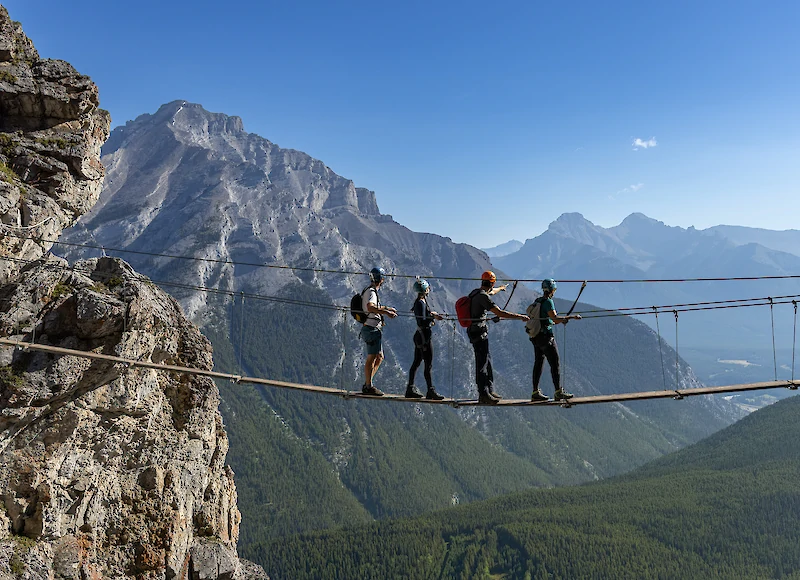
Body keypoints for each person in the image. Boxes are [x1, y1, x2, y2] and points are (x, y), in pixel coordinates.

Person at [467, 271, 530, 404]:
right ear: (491, 283)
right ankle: (483, 394)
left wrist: (501, 289)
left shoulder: (476, 293)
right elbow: (500, 312)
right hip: (479, 332)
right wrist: (520, 317)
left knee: (487, 361)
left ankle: (490, 390)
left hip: (475, 331)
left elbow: (491, 292)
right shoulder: (483, 297)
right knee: (482, 364)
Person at [528, 278, 582, 402]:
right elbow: (555, 318)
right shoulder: (548, 302)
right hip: (546, 337)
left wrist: (559, 320)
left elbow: (548, 319)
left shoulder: (538, 301)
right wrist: (571, 317)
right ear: (552, 290)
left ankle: (535, 392)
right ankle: (558, 392)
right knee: (555, 363)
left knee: (538, 363)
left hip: (536, 337)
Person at [360, 267, 398, 396]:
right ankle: (368, 386)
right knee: (372, 357)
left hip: (372, 328)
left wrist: (387, 308)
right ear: (381, 279)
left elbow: (373, 307)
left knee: (379, 357)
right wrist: (386, 312)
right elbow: (370, 307)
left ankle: (368, 383)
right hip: (371, 328)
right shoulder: (371, 292)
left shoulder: (370, 291)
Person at [406, 278, 445, 400]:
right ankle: (430, 391)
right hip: (424, 337)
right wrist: (433, 317)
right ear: (425, 290)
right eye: (427, 288)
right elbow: (422, 321)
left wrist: (431, 315)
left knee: (416, 362)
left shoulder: (420, 302)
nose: (429, 290)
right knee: (427, 364)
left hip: (420, 336)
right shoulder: (420, 303)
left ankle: (410, 388)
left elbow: (422, 317)